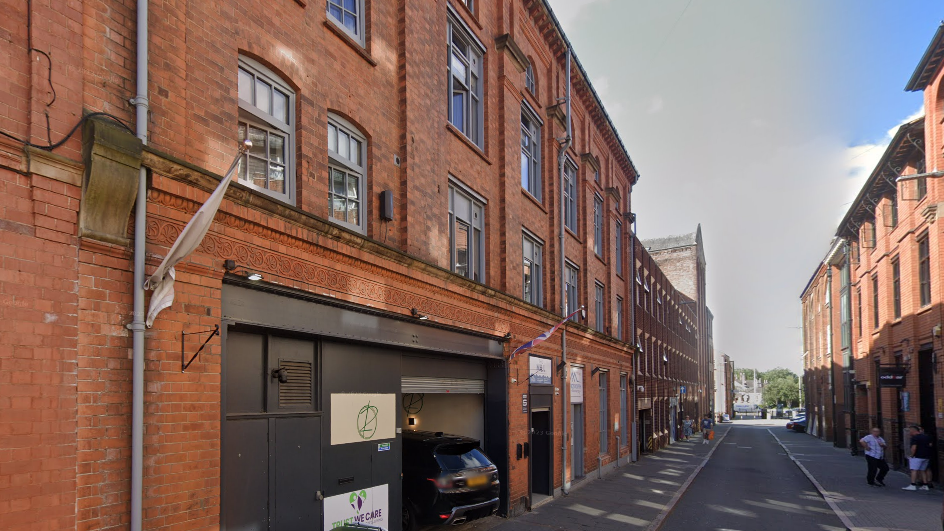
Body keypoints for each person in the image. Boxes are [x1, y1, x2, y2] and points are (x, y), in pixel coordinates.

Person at [904, 425, 933, 491]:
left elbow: (914, 448)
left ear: (912, 431)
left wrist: (911, 455)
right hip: (926, 456)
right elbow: (930, 445)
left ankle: (912, 485)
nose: (909, 433)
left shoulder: (915, 438)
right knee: (923, 470)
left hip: (917, 456)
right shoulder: (926, 437)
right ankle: (925, 485)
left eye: (909, 431)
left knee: (914, 470)